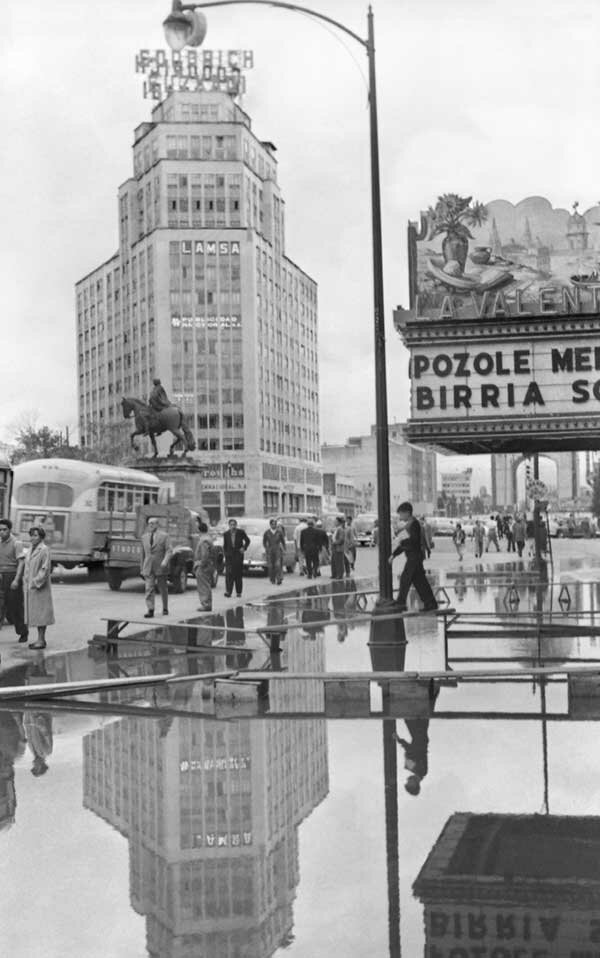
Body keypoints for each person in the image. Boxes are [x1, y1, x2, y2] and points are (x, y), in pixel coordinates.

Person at [389, 502, 438, 612]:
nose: (400, 517)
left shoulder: (414, 524)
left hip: (414, 557)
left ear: (407, 513)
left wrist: (398, 549)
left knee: (405, 579)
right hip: (414, 557)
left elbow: (412, 541)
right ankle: (431, 603)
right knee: (420, 582)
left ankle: (401, 603)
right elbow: (403, 543)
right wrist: (394, 554)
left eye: (401, 514)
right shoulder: (409, 524)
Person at [23, 526, 54, 650]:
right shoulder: (30, 549)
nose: (32, 538)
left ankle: (41, 640)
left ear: (41, 537)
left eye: (35, 535)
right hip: (31, 587)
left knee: (41, 614)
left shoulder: (44, 549)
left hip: (40, 587)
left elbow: (45, 569)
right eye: (31, 535)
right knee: (36, 614)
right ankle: (40, 639)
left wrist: (35, 582)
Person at [0, 519, 28, 643]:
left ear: (10, 530)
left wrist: (16, 580)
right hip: (1, 575)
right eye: (0, 530)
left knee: (14, 607)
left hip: (12, 576)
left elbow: (21, 562)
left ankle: (23, 632)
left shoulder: (17, 543)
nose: (1, 532)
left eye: (4, 529)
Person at [141, 516, 173, 618]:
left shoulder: (164, 536)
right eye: (149, 523)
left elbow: (169, 550)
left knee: (162, 588)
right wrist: (141, 568)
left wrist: (165, 561)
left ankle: (165, 607)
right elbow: (142, 554)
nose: (151, 525)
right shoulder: (144, 537)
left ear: (157, 525)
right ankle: (150, 609)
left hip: (160, 566)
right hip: (148, 567)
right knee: (149, 588)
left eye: (153, 523)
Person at [397, 718, 430, 796]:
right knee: (408, 716)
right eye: (408, 783)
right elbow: (412, 751)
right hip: (419, 736)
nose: (407, 780)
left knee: (422, 713)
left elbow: (411, 752)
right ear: (414, 785)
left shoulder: (418, 771)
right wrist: (399, 740)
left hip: (419, 737)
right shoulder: (420, 770)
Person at [222, 518, 250, 598]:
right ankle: (228, 591)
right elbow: (225, 545)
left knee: (238, 574)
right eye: (231, 525)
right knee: (229, 574)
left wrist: (244, 548)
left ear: (236, 525)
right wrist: (225, 554)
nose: (233, 526)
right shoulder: (226, 534)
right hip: (229, 556)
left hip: (238, 555)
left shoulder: (241, 532)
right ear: (229, 526)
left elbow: (247, 541)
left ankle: (238, 592)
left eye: (234, 525)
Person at [193, 519, 215, 611]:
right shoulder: (208, 538)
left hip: (204, 566)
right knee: (207, 585)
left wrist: (201, 565)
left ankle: (206, 604)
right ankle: (207, 603)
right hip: (208, 565)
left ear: (199, 530)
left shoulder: (203, 540)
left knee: (203, 586)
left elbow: (204, 555)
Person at [262, 518, 285, 585]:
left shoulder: (279, 532)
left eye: (275, 524)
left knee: (277, 565)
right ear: (270, 525)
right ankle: (272, 579)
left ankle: (278, 579)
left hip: (277, 550)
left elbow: (283, 541)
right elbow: (264, 541)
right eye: (272, 524)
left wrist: (284, 549)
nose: (274, 525)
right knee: (271, 566)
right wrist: (266, 548)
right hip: (270, 551)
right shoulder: (267, 532)